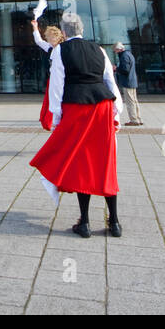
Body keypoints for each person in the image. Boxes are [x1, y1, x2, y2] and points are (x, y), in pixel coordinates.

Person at [30, 17, 123, 239]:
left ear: (63, 30)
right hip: (102, 107)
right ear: (82, 29)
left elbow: (57, 85)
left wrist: (57, 118)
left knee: (83, 162)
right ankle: (115, 222)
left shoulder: (61, 51)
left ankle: (86, 222)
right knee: (105, 162)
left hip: (77, 107)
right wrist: (116, 112)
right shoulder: (99, 49)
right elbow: (110, 80)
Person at [31, 20, 65, 130]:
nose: (49, 39)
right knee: (52, 100)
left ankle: (59, 120)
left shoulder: (64, 48)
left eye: (51, 37)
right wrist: (35, 27)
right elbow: (39, 41)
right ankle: (52, 121)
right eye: (48, 37)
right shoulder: (51, 48)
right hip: (54, 79)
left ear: (57, 37)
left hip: (63, 79)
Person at [113, 42, 142, 125]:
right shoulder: (129, 54)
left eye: (115, 50)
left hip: (127, 82)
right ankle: (138, 118)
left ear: (119, 49)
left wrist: (116, 69)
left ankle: (134, 120)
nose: (115, 52)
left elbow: (125, 70)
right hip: (132, 81)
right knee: (134, 100)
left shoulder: (124, 56)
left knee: (130, 101)